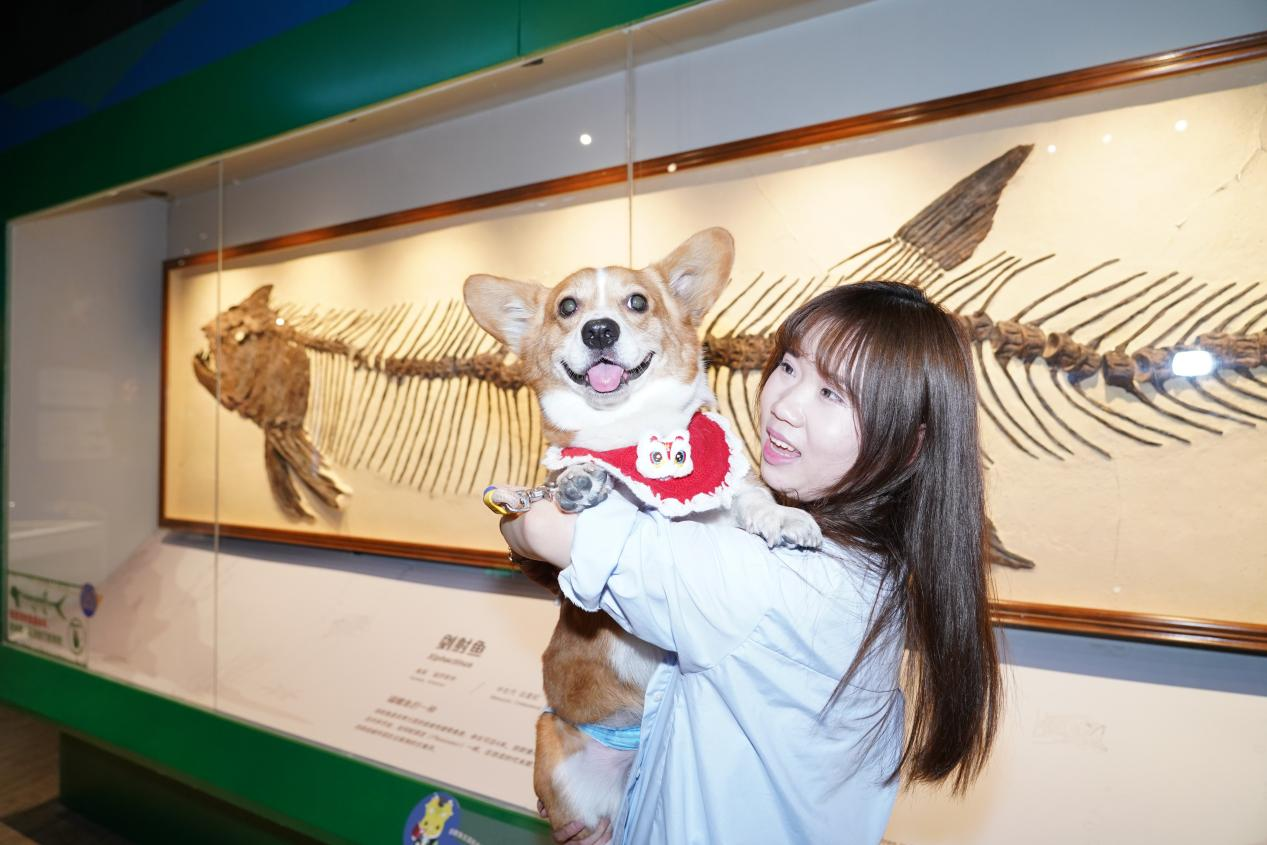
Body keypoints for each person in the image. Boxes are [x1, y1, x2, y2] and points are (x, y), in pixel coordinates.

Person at [501, 281, 1002, 845]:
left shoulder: (772, 583)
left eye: (833, 394)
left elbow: (541, 528)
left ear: (910, 443)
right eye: (789, 367)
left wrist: (517, 516)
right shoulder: (871, 569)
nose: (784, 406)